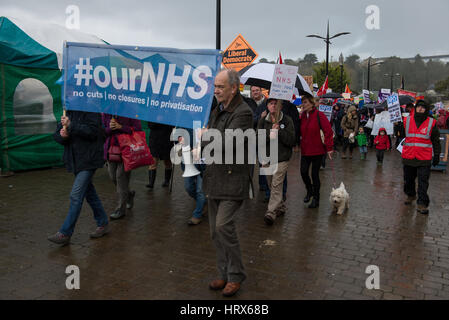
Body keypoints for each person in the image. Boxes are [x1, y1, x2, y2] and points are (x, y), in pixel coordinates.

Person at [202, 69, 253, 297]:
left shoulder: (244, 112)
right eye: (215, 86)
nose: (216, 90)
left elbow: (228, 143)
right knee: (215, 232)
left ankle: (236, 275)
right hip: (214, 178)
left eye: (220, 87)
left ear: (234, 88)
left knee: (224, 226)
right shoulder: (216, 110)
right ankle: (223, 273)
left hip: (233, 179)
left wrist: (205, 136)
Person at [48, 111, 109, 245]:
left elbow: (93, 132)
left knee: (76, 195)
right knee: (89, 193)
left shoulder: (91, 110)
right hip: (75, 161)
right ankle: (103, 222)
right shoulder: (68, 112)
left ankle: (65, 233)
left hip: (89, 160)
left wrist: (71, 125)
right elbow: (58, 135)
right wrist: (63, 136)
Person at [257, 98, 295, 225]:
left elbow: (291, 141)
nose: (273, 106)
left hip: (282, 158)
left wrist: (280, 132)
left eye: (276, 104)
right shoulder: (263, 120)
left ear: (280, 106)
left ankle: (271, 212)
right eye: (271, 104)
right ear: (267, 106)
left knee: (276, 184)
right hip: (267, 158)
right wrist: (270, 135)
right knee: (270, 183)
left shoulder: (287, 120)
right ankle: (281, 206)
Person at [402, 100, 440, 215]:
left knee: (423, 182)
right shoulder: (406, 120)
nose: (420, 109)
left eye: (423, 107)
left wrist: (437, 155)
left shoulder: (431, 123)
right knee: (408, 180)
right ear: (415, 108)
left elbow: (436, 141)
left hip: (424, 158)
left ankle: (422, 203)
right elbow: (401, 134)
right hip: (408, 156)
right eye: (418, 107)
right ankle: (411, 195)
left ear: (426, 109)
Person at [102, 114, 142, 220]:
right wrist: (109, 128)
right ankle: (129, 194)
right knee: (113, 177)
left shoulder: (130, 110)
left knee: (120, 178)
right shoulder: (106, 112)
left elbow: (138, 129)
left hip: (126, 151)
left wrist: (121, 127)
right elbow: (102, 132)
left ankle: (121, 209)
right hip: (111, 151)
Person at [299, 93, 334, 208]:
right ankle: (309, 190)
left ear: (311, 103)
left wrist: (329, 148)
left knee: (315, 175)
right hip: (305, 150)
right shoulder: (302, 116)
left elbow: (328, 131)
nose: (303, 105)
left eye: (305, 102)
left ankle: (316, 199)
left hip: (317, 151)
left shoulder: (319, 115)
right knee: (303, 172)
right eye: (302, 102)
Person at [178, 129, 206, 225]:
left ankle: (197, 214)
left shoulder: (207, 118)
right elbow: (178, 135)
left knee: (200, 190)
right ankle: (202, 202)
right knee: (188, 187)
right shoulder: (184, 119)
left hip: (203, 160)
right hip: (188, 160)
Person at [145, 122, 173, 189]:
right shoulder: (153, 112)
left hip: (167, 141)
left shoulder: (170, 112)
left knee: (167, 162)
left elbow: (172, 125)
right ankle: (151, 183)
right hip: (155, 141)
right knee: (153, 162)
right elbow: (150, 125)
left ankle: (167, 181)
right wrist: (157, 120)